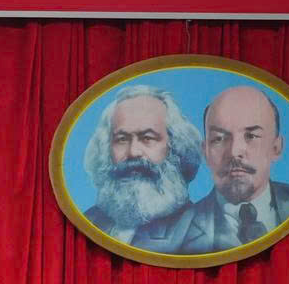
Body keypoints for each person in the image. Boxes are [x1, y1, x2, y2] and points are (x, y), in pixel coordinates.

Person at [137, 83, 289, 254]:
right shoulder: (162, 240)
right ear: (205, 152)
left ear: (276, 148)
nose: (234, 152)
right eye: (219, 138)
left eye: (251, 136)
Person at [76, 84, 202, 245]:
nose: (133, 152)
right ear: (106, 149)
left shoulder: (198, 232)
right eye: (122, 139)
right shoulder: (88, 222)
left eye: (147, 138)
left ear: (175, 147)